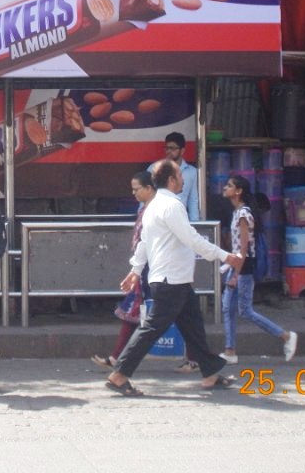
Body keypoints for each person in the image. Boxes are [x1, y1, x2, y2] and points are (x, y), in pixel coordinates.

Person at [105, 160, 243, 397]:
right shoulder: (171, 205)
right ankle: (119, 375)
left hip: (172, 278)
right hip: (171, 280)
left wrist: (135, 271)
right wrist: (225, 256)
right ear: (171, 179)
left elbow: (144, 243)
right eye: (179, 174)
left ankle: (209, 372)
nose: (183, 178)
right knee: (151, 329)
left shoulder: (153, 206)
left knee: (193, 325)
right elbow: (191, 238)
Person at [220, 175, 297, 364]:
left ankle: (286, 336)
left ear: (238, 191)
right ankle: (230, 351)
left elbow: (245, 249)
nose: (224, 188)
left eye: (229, 186)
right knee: (227, 308)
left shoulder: (243, 214)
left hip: (243, 267)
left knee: (245, 311)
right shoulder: (238, 212)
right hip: (238, 265)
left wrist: (236, 274)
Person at [91, 170, 156, 370]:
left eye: (137, 189)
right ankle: (117, 359)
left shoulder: (157, 211)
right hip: (148, 270)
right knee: (135, 313)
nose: (134, 193)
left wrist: (137, 270)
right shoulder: (146, 209)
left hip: (156, 271)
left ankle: (120, 363)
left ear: (148, 188)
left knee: (148, 314)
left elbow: (147, 243)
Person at [151, 131, 201, 373]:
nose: (169, 152)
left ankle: (205, 365)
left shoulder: (191, 173)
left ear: (183, 150)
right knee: (160, 321)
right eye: (166, 148)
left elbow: (193, 203)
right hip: (168, 256)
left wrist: (197, 228)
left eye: (173, 148)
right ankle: (122, 367)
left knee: (187, 315)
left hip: (182, 239)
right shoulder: (156, 170)